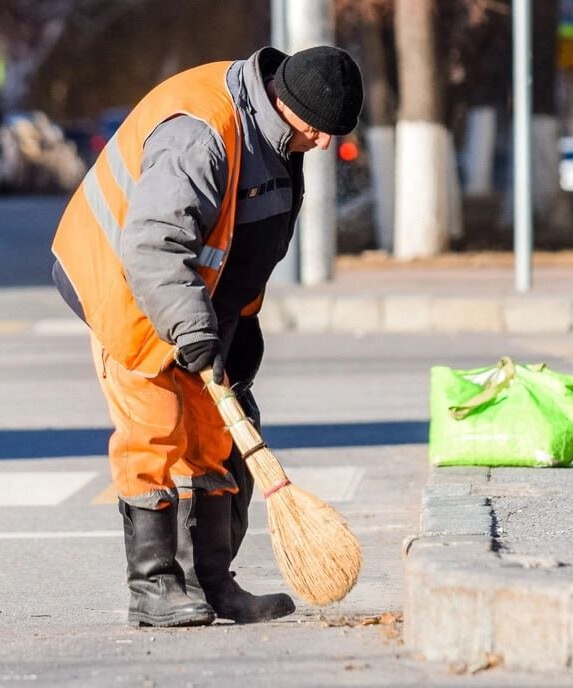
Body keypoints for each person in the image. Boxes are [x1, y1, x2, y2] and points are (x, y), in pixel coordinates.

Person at [50, 46, 364, 627]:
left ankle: (211, 582)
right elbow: (151, 245)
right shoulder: (201, 133)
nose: (323, 144)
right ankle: (154, 587)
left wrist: (239, 324)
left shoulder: (276, 139)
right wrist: (194, 330)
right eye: (318, 129)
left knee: (214, 434)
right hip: (130, 283)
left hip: (193, 294)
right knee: (155, 430)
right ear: (284, 102)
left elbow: (246, 245)